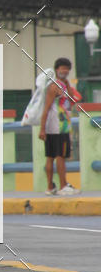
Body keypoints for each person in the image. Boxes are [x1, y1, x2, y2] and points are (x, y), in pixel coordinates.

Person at [38, 57, 80, 196]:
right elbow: (46, 108)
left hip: (57, 126)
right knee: (60, 156)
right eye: (63, 68)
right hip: (58, 126)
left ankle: (50, 187)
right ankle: (62, 186)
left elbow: (72, 100)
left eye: (67, 68)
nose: (65, 71)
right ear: (56, 69)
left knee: (50, 156)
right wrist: (42, 128)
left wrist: (68, 84)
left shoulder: (62, 85)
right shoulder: (54, 86)